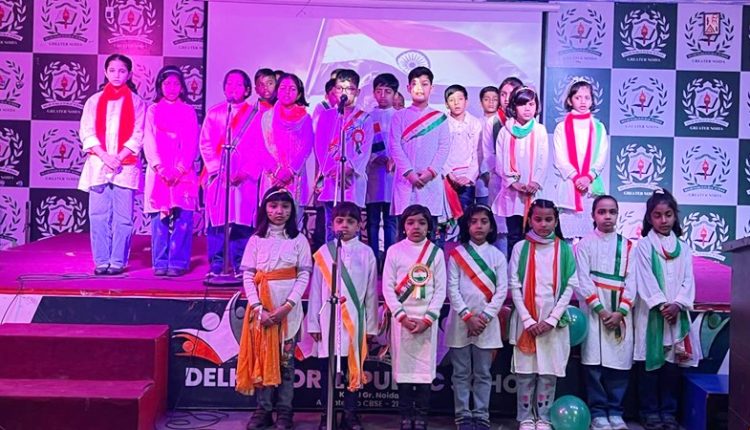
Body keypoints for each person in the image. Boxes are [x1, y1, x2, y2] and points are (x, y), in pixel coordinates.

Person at [236, 187, 312, 430]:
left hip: (289, 313)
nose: (279, 211)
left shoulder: (299, 240)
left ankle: (285, 412)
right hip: (262, 313)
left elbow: (303, 275)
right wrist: (259, 308)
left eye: (285, 206)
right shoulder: (256, 240)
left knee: (286, 364)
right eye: (273, 206)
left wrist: (287, 306)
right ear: (265, 209)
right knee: (263, 358)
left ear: (292, 210)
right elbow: (248, 276)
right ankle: (263, 410)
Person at [633, 189, 701, 430]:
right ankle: (649, 412)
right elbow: (645, 278)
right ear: (649, 218)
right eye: (657, 215)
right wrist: (663, 305)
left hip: (676, 315)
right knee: (650, 365)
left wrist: (678, 304)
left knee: (671, 367)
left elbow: (688, 280)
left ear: (675, 216)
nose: (663, 220)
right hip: (652, 314)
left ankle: (669, 412)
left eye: (668, 215)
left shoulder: (684, 248)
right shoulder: (643, 246)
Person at [307, 202, 378, 430]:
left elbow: (371, 293)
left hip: (355, 322)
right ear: (332, 224)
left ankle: (350, 415)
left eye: (350, 221)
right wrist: (313, 324)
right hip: (328, 321)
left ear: (359, 225)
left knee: (352, 370)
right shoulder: (324, 253)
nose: (344, 225)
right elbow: (316, 290)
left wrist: (371, 327)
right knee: (327, 373)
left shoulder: (367, 253)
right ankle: (326, 415)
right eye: (340, 221)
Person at [509, 199, 577, 430]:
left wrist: (551, 319)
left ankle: (544, 417)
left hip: (552, 322)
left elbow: (569, 286)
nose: (543, 224)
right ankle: (525, 417)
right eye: (538, 219)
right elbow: (514, 285)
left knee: (548, 372)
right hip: (525, 321)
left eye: (549, 219)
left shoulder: (564, 249)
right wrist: (528, 320)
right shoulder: (520, 248)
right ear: (530, 220)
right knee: (526, 372)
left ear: (556, 221)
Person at [78, 53, 146, 275]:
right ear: (106, 72)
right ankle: (101, 260)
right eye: (113, 70)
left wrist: (118, 157)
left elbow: (138, 134)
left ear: (129, 74)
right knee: (97, 216)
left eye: (122, 71)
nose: (117, 75)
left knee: (123, 218)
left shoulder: (137, 102)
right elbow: (86, 132)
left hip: (125, 166)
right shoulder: (93, 101)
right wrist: (105, 156)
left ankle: (117, 260)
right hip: (99, 164)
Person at [382, 204, 446, 430]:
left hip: (426, 320)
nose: (416, 227)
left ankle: (421, 416)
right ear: (403, 226)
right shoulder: (394, 251)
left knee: (424, 372)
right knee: (404, 371)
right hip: (402, 320)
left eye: (421, 222)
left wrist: (428, 318)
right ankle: (405, 415)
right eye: (410, 222)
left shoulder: (436, 253)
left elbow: (440, 289)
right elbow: (387, 286)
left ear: (429, 226)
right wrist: (401, 316)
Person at [574, 195, 635, 430]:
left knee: (618, 362)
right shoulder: (584, 245)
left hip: (620, 312)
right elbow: (582, 280)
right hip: (594, 311)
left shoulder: (628, 246)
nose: (607, 216)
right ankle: (598, 412)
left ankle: (616, 411)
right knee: (594, 364)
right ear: (593, 215)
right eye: (602, 212)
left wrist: (620, 312)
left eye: (612, 212)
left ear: (618, 214)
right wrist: (601, 310)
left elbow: (633, 281)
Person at [199, 69, 268, 276]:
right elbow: (206, 144)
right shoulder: (215, 113)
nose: (233, 88)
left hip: (244, 179)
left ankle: (240, 263)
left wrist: (246, 172)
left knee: (242, 221)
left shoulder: (256, 116)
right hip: (218, 178)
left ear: (247, 90)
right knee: (217, 221)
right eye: (229, 83)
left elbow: (260, 147)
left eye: (238, 84)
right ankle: (217, 263)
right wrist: (218, 170)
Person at [445, 204, 508, 430]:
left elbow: (502, 290)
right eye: (473, 222)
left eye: (484, 221)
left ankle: (481, 414)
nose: (479, 226)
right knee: (460, 373)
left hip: (486, 324)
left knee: (483, 373)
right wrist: (467, 316)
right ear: (466, 226)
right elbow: (452, 289)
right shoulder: (457, 255)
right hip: (460, 322)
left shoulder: (497, 256)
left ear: (491, 226)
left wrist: (485, 317)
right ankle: (462, 414)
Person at [142, 65, 199, 277]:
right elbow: (148, 140)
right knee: (160, 219)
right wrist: (160, 167)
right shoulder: (152, 110)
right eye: (167, 84)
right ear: (160, 86)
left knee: (183, 219)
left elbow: (191, 141)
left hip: (183, 173)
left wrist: (179, 169)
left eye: (176, 84)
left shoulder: (188, 111)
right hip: (159, 173)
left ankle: (178, 262)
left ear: (182, 87)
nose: (172, 88)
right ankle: (160, 261)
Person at [389, 67, 450, 246]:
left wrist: (430, 172)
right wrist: (409, 173)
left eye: (424, 84)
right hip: (405, 182)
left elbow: (444, 147)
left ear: (432, 88)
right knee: (404, 235)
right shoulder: (399, 116)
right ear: (408, 88)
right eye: (414, 84)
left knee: (430, 234)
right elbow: (394, 146)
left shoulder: (440, 118)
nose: (419, 88)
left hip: (430, 182)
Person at [314, 69, 373, 241]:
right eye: (340, 88)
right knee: (331, 224)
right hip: (331, 179)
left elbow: (365, 149)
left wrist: (348, 169)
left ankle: (352, 257)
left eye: (350, 89)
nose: (344, 93)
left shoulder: (365, 119)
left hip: (352, 180)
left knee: (351, 225)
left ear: (357, 91)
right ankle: (331, 257)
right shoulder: (326, 116)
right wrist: (333, 170)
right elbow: (320, 146)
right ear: (334, 91)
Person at [493, 87, 549, 256]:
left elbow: (543, 159)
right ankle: (514, 270)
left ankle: (533, 270)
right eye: (523, 104)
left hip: (533, 192)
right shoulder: (505, 132)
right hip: (512, 193)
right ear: (514, 107)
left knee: (535, 235)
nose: (527, 108)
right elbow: (500, 162)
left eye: (531, 104)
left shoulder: (539, 130)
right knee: (514, 236)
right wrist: (514, 183)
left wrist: (535, 182)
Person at [553, 79, 609, 240]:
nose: (583, 101)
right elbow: (560, 158)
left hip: (591, 187)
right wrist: (576, 178)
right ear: (570, 101)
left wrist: (588, 177)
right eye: (578, 97)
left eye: (587, 97)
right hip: (569, 185)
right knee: (569, 238)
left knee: (590, 238)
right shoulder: (561, 127)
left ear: (592, 101)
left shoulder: (599, 127)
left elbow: (601, 156)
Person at [254, 73, 314, 207]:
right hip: (271, 177)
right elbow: (260, 146)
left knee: (293, 215)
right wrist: (276, 171)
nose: (287, 92)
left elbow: (306, 147)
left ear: (299, 94)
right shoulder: (265, 117)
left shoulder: (305, 119)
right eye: (282, 88)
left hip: (295, 178)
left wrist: (290, 171)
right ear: (276, 91)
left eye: (292, 89)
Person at [479, 77, 523, 256]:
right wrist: (505, 175)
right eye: (503, 94)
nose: (506, 99)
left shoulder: (527, 121)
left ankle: (517, 269)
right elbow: (488, 154)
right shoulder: (493, 122)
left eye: (511, 94)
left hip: (522, 184)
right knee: (499, 231)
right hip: (499, 181)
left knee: (519, 231)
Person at [366, 73, 399, 266]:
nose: (383, 95)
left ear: (395, 94)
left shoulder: (400, 116)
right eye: (379, 91)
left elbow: (403, 144)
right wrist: (374, 157)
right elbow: (362, 145)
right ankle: (372, 260)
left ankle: (389, 261)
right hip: (373, 174)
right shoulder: (368, 117)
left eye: (388, 91)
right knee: (371, 220)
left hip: (393, 175)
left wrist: (395, 159)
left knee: (390, 220)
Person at [444, 84, 482, 216]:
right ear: (446, 104)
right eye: (451, 100)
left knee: (465, 217)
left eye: (460, 99)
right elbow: (440, 151)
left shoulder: (475, 123)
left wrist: (469, 177)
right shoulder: (442, 123)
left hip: (467, 180)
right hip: (447, 177)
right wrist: (449, 173)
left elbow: (478, 153)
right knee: (446, 219)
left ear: (466, 101)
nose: (456, 103)